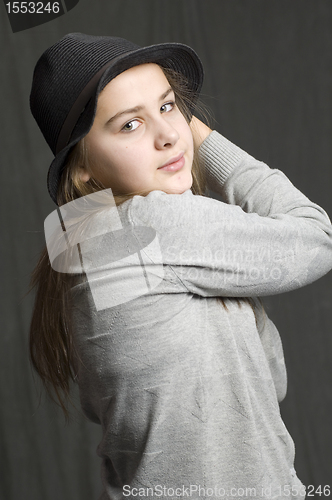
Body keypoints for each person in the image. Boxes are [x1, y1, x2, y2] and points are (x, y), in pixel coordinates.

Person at [29, 33, 332, 499]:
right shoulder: (153, 223)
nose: (169, 135)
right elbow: (317, 239)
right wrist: (201, 138)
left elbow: (263, 383)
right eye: (129, 125)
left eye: (169, 106)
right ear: (82, 165)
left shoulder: (79, 242)